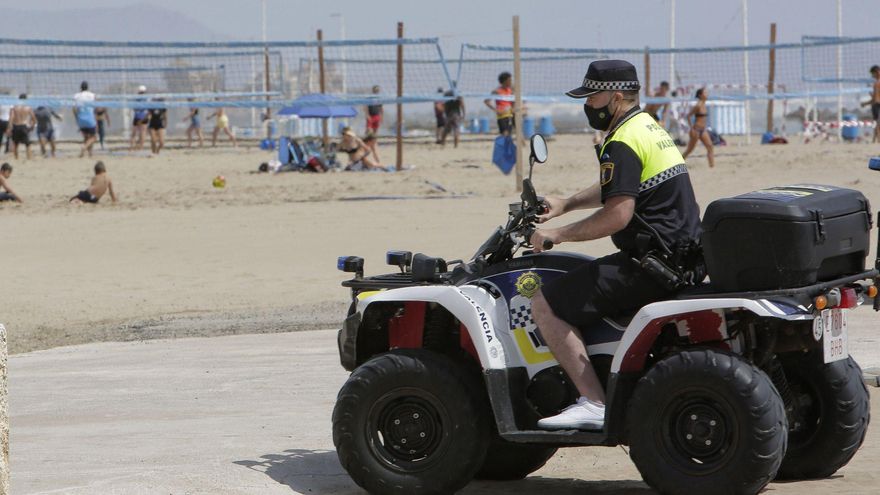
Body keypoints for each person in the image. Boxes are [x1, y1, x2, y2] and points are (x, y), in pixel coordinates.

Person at [527, 60, 702, 430]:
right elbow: (623, 187)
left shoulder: (620, 139)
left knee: (545, 302)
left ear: (616, 96)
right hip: (682, 255)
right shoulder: (648, 127)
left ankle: (592, 401)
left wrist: (557, 234)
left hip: (653, 264)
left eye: (592, 97)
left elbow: (618, 215)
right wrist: (566, 204)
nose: (588, 104)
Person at [681, 88, 714, 168]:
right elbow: (688, 116)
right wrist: (691, 128)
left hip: (703, 130)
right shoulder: (698, 105)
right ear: (700, 95)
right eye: (705, 93)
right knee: (689, 150)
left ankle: (712, 166)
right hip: (696, 130)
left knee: (710, 146)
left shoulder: (704, 104)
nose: (707, 94)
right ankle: (679, 163)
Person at [7, 94, 36, 160]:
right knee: (27, 144)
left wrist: (9, 128)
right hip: (24, 126)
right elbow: (34, 119)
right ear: (26, 99)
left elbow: (11, 118)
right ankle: (29, 158)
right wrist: (32, 127)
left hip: (16, 126)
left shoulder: (14, 107)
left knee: (16, 144)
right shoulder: (28, 107)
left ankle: (16, 159)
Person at [73, 81, 98, 158]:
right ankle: (84, 148)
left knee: (86, 138)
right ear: (88, 87)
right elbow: (96, 105)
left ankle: (90, 154)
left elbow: (74, 109)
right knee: (93, 138)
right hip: (90, 118)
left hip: (81, 118)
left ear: (81, 88)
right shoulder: (92, 95)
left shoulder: (76, 96)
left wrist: (77, 118)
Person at [861, 65, 880, 143]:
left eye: (873, 74)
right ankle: (875, 140)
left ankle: (877, 141)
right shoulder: (876, 84)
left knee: (877, 125)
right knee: (876, 124)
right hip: (876, 105)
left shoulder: (876, 84)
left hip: (877, 106)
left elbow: (875, 99)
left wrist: (865, 104)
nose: (872, 76)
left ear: (877, 72)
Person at [129, 85, 149, 151]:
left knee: (134, 133)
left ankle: (132, 147)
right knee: (143, 133)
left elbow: (134, 108)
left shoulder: (136, 98)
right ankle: (140, 148)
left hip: (137, 116)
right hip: (144, 116)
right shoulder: (147, 98)